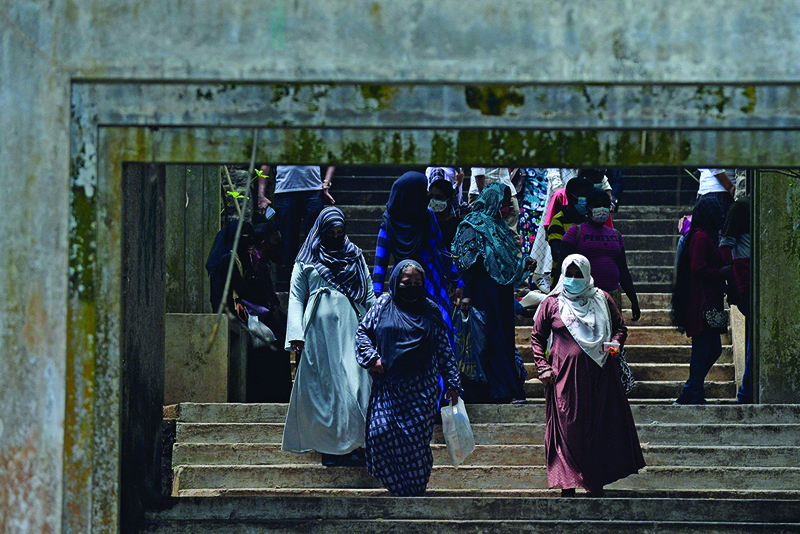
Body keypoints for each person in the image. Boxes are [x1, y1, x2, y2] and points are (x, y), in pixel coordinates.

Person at [530, 254, 645, 496]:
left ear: (587, 274)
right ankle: (568, 482)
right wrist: (542, 366)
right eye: (568, 274)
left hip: (600, 376)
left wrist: (615, 343)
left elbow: (619, 327)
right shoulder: (552, 303)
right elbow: (537, 337)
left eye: (577, 274)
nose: (572, 279)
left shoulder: (601, 299)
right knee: (568, 427)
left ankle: (596, 481)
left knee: (598, 427)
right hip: (564, 378)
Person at [355, 259, 462, 496]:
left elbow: (444, 348)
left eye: (417, 282)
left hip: (421, 388)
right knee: (379, 433)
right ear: (396, 283)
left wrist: (452, 383)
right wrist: (374, 360)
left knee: (414, 443)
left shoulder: (430, 311)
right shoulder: (383, 305)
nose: (412, 286)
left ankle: (414, 490)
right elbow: (363, 333)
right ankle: (397, 486)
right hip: (389, 385)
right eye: (407, 282)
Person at [282, 207, 375, 466]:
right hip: (317, 334)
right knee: (327, 390)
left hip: (349, 328)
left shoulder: (354, 257)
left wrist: (375, 327)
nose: (335, 236)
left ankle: (357, 444)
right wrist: (295, 334)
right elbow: (296, 298)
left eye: (339, 232)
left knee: (356, 383)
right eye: (330, 233)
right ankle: (331, 449)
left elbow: (367, 295)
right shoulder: (306, 260)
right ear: (321, 232)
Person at [451, 183, 536, 403]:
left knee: (502, 340)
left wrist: (523, 265)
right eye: (505, 202)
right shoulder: (473, 225)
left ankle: (505, 389)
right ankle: (492, 391)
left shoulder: (499, 228)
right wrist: (467, 294)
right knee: (486, 340)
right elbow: (467, 263)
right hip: (481, 296)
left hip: (501, 296)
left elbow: (506, 264)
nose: (507, 207)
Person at [205, 220, 292, 402]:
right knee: (271, 340)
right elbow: (243, 292)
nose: (249, 241)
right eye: (244, 237)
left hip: (243, 314)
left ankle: (277, 395)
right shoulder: (229, 259)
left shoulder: (242, 259)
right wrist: (252, 272)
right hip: (233, 314)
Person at [372, 171, 463, 335]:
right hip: (404, 287)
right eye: (423, 190)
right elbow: (380, 263)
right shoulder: (389, 223)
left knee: (439, 332)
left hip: (432, 285)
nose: (428, 194)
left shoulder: (427, 216)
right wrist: (377, 297)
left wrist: (458, 282)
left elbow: (441, 250)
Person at [671, 196, 728, 405]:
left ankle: (692, 391)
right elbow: (698, 268)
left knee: (711, 349)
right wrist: (721, 271)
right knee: (705, 350)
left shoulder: (703, 236)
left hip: (708, 302)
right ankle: (692, 392)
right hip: (703, 303)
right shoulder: (702, 237)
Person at [560, 189, 641, 321]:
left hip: (612, 296)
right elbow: (562, 268)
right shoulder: (575, 232)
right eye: (597, 205)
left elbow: (623, 271)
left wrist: (634, 300)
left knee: (611, 335)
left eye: (605, 205)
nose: (601, 209)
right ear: (588, 209)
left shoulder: (616, 235)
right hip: (583, 297)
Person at [260, 165, 335, 285]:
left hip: (313, 190)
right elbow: (266, 164)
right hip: (285, 191)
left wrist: (327, 182)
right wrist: (261, 195)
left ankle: (315, 282)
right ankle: (293, 282)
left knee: (315, 241)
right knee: (287, 240)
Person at [719, 178, 752, 403]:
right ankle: (747, 391)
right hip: (746, 278)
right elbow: (725, 246)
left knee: (754, 336)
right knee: (754, 337)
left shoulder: (745, 207)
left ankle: (748, 391)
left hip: (749, 276)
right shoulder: (741, 208)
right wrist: (734, 279)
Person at [546, 177, 594, 289]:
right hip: (565, 281)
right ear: (573, 197)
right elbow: (557, 253)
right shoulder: (558, 221)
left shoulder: (588, 220)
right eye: (585, 196)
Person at [468, 167, 521, 242]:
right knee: (482, 234)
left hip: (506, 191)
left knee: (511, 233)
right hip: (482, 193)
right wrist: (485, 199)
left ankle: (513, 252)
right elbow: (478, 173)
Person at [425, 167, 467, 249]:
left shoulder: (458, 228)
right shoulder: (425, 225)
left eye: (438, 197)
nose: (434, 200)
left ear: (449, 200)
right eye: (431, 196)